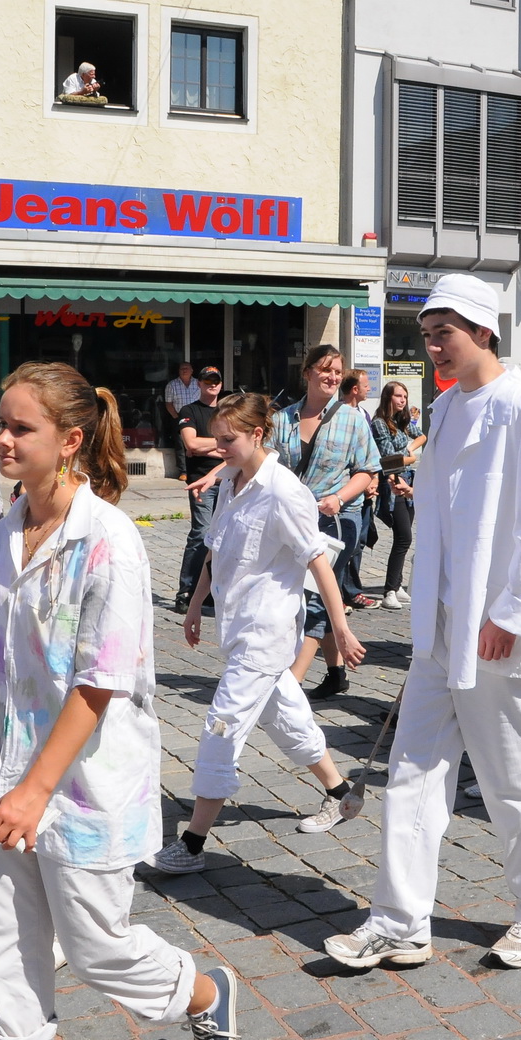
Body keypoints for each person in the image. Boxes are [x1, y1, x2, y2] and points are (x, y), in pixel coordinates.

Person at [0, 362, 238, 1040]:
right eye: (0, 424)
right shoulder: (3, 532)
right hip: (5, 777)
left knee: (96, 949)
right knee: (4, 945)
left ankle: (205, 993)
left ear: (70, 440)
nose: (1, 439)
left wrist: (36, 791)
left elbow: (98, 683)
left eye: (21, 427)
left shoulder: (108, 539)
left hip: (83, 788)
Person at [324, 273, 521, 971]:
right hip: (440, 630)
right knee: (411, 772)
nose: (433, 346)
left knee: (517, 780)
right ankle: (400, 921)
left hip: (501, 633)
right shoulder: (445, 409)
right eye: (427, 334)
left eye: (445, 333)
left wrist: (516, 612)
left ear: (483, 331)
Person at [156, 392, 370, 874]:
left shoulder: (283, 491)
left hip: (266, 633)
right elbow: (215, 549)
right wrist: (196, 604)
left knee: (222, 724)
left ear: (257, 435)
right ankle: (341, 793)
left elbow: (317, 560)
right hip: (238, 625)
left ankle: (192, 843)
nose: (218, 448)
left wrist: (340, 626)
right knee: (286, 714)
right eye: (216, 438)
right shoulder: (230, 480)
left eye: (227, 440)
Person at [271, 346, 382, 694]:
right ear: (307, 373)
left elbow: (367, 471)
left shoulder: (353, 419)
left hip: (338, 521)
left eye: (337, 371)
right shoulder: (282, 419)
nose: (332, 377)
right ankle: (336, 674)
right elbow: (268, 467)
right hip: (295, 520)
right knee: (304, 591)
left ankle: (291, 684)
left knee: (317, 593)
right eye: (325, 369)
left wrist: (340, 497)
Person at [174, 367, 224, 612]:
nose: (212, 384)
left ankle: (210, 590)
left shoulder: (227, 412)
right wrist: (224, 444)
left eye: (216, 381)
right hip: (200, 481)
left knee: (222, 536)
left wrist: (210, 448)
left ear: (221, 384)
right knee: (201, 533)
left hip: (227, 480)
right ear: (199, 384)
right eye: (207, 381)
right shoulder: (189, 410)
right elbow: (191, 443)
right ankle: (186, 590)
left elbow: (240, 447)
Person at [370, 381, 424, 610]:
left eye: (405, 396)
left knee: (404, 537)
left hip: (407, 480)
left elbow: (422, 436)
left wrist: (410, 450)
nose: (402, 400)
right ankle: (389, 591)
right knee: (403, 536)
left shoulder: (401, 420)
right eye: (398, 396)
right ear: (388, 397)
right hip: (392, 482)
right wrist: (410, 458)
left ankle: (396, 584)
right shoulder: (380, 423)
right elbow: (388, 458)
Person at [338, 369, 379, 604]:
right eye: (365, 385)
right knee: (343, 544)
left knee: (358, 542)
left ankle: (352, 590)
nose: (369, 389)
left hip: (365, 490)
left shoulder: (364, 414)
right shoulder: (338, 415)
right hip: (347, 491)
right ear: (355, 389)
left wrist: (373, 480)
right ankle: (339, 594)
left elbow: (371, 453)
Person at [163, 361, 201, 445]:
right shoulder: (171, 385)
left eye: (186, 368)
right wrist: (176, 417)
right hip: (179, 419)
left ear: (192, 371)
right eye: (182, 369)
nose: (184, 370)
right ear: (178, 371)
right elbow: (168, 404)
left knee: (196, 444)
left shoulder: (199, 384)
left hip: (196, 419)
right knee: (180, 445)